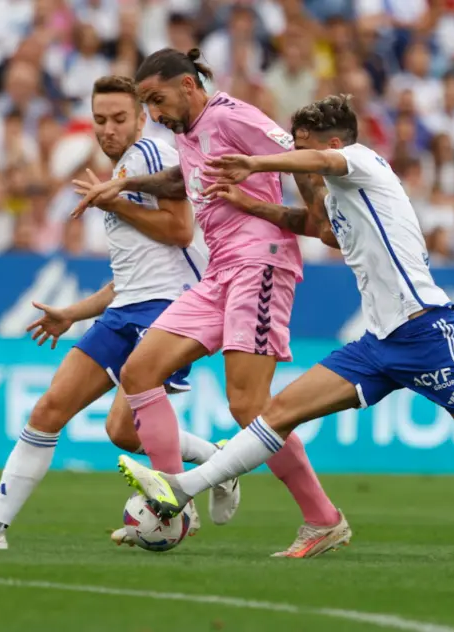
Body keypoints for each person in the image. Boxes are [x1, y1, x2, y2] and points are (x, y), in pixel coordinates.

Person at [117, 95, 454, 560]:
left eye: (302, 143)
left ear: (331, 143)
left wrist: (257, 165)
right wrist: (251, 203)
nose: (294, 152)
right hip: (377, 344)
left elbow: (322, 165)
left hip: (428, 331)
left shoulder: (360, 160)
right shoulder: (341, 193)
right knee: (277, 412)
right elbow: (325, 232)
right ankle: (187, 489)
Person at [0, 75, 236, 550]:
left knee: (122, 427)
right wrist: (74, 312)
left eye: (118, 118)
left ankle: (182, 501)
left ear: (140, 117)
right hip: (126, 308)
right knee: (57, 410)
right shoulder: (119, 173)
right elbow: (129, 275)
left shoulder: (152, 157)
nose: (108, 129)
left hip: (170, 310)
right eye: (99, 120)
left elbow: (179, 230)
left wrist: (115, 199)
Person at [73, 49, 349, 558]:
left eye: (156, 100)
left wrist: (317, 216)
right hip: (220, 273)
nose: (153, 114)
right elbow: (184, 180)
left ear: (187, 85)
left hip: (260, 265)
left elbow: (299, 155)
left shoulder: (231, 115)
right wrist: (127, 184)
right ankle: (174, 500)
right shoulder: (189, 130)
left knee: (248, 405)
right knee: (138, 373)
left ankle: (323, 518)